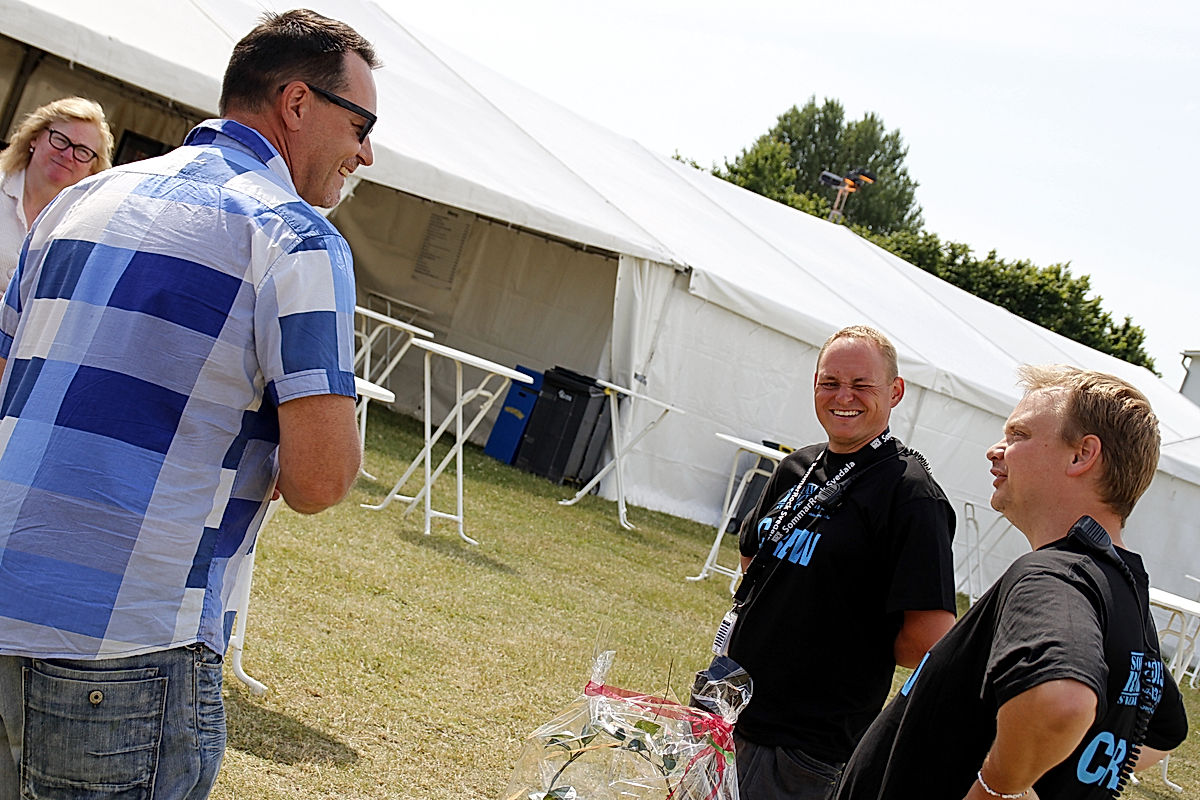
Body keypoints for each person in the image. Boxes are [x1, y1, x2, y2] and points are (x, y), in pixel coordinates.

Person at [0, 9, 376, 798]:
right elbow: (321, 480)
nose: (364, 152)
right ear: (298, 104)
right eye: (361, 122)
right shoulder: (296, 238)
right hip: (128, 640)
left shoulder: (80, 200)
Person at [836, 365, 1189, 800]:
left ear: (1081, 455)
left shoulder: (1051, 575)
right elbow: (1163, 727)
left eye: (1018, 435)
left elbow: (1062, 702)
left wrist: (996, 788)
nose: (995, 450)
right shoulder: (1122, 592)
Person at [726, 324, 958, 800]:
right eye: (829, 382)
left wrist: (841, 646)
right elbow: (753, 554)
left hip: (808, 746)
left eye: (861, 385)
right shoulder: (798, 466)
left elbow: (928, 636)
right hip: (731, 710)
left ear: (895, 393)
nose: (842, 396)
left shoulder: (910, 495)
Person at [0, 96, 113, 285]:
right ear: (34, 138)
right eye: (60, 140)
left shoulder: (84, 229)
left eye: (82, 151)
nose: (68, 155)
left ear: (92, 169)